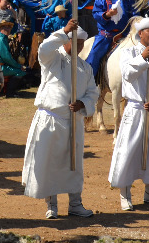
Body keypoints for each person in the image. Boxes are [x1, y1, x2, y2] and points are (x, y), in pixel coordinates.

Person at [22, 19, 99, 219]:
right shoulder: (52, 59)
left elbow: (92, 93)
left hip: (73, 122)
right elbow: (44, 49)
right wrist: (64, 31)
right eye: (74, 42)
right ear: (65, 41)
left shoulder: (86, 67)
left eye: (81, 43)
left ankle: (75, 203)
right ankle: (52, 205)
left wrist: (83, 103)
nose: (78, 47)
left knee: (74, 164)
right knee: (51, 164)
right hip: (52, 120)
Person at [108, 18, 149, 210]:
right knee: (129, 150)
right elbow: (128, 74)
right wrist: (143, 57)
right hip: (136, 109)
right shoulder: (128, 53)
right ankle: (125, 193)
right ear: (140, 33)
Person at [87, 0, 135, 77]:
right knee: (94, 55)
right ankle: (89, 79)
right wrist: (108, 14)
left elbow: (134, 13)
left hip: (125, 34)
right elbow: (96, 13)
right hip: (106, 35)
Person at [0, 20, 27, 98]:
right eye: (6, 27)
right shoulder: (1, 40)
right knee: (20, 72)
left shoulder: (3, 39)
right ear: (1, 28)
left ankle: (10, 91)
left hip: (1, 65)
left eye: (9, 27)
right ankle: (10, 93)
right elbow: (6, 57)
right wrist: (18, 66)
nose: (8, 29)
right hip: (0, 67)